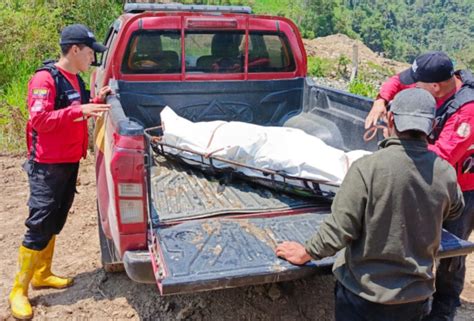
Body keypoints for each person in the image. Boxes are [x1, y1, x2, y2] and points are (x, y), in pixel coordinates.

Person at [276, 88, 464, 321]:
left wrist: (307, 252)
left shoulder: (368, 168)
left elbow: (340, 228)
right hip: (415, 298)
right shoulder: (444, 172)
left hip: (364, 297)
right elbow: (456, 209)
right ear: (432, 125)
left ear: (391, 118)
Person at [8, 24, 111, 320]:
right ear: (75, 50)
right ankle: (19, 290)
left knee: (57, 216)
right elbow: (40, 120)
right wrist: (79, 112)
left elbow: (78, 107)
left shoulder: (75, 79)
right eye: (91, 52)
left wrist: (96, 100)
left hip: (68, 161)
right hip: (47, 164)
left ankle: (42, 273)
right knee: (39, 221)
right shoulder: (46, 79)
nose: (93, 58)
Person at [365, 51, 474, 321]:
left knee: (451, 252)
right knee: (416, 239)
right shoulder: (432, 78)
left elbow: (443, 156)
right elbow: (397, 81)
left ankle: (444, 309)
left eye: (418, 85)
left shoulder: (467, 111)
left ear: (435, 87)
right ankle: (413, 297)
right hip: (423, 175)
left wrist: (396, 146)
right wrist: (381, 100)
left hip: (460, 187)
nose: (413, 87)